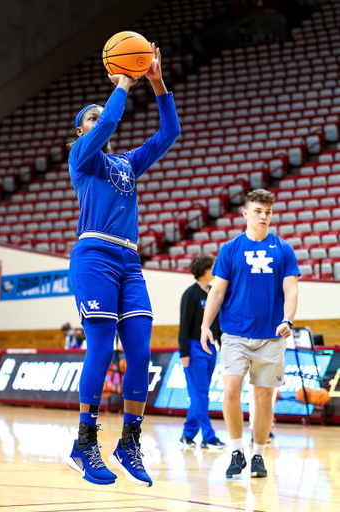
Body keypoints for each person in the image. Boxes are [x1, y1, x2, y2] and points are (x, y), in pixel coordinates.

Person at [67, 43, 181, 488]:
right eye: (90, 118)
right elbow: (112, 119)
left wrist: (156, 82)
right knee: (99, 347)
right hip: (93, 254)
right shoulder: (83, 159)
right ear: (81, 131)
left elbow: (169, 134)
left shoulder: (128, 163)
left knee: (140, 352)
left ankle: (128, 442)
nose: (101, 120)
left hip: (129, 260)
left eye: (101, 115)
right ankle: (84, 443)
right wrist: (121, 83)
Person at [200, 189, 300, 479]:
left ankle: (257, 455)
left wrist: (288, 320)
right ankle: (236, 451)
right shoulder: (231, 249)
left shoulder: (283, 249)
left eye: (268, 212)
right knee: (230, 391)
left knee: (263, 399)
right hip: (234, 335)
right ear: (245, 213)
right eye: (258, 211)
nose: (263, 216)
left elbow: (291, 289)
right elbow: (217, 290)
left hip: (271, 336)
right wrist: (206, 325)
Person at [179, 254, 225, 450]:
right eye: (213, 265)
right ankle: (208, 437)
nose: (215, 268)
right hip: (194, 348)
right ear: (206, 270)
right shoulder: (190, 294)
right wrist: (184, 352)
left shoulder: (213, 293)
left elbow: (218, 322)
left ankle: (187, 434)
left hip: (211, 348)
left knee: (201, 394)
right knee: (200, 395)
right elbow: (184, 324)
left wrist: (222, 342)